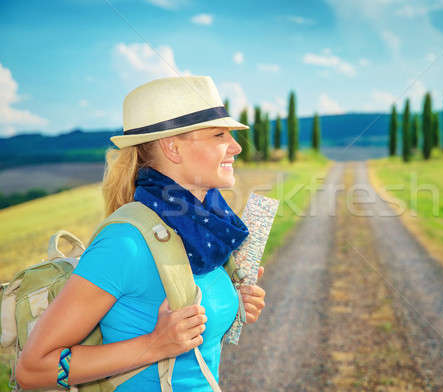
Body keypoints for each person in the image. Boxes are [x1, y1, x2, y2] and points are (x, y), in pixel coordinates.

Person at [15, 76, 267, 391]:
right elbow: (33, 369)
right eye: (219, 134)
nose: (236, 146)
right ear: (173, 147)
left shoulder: (207, 234)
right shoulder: (125, 243)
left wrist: (234, 304)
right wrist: (155, 345)